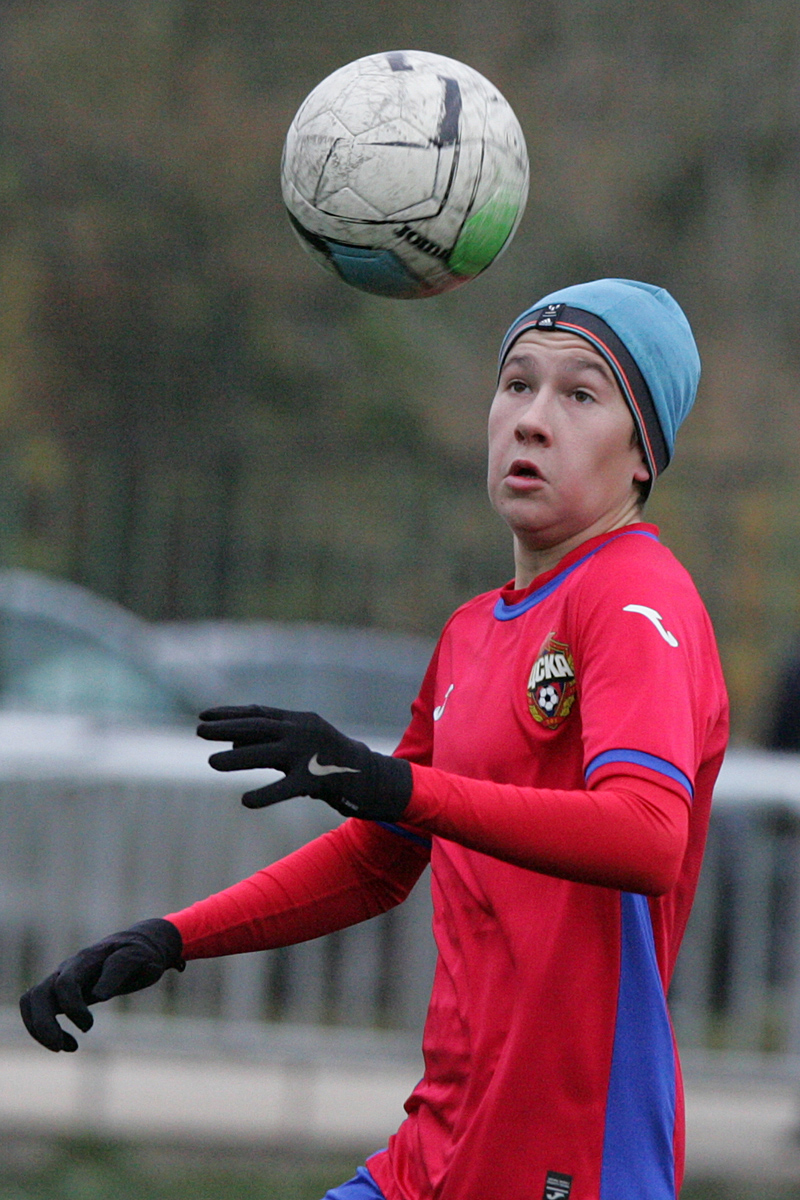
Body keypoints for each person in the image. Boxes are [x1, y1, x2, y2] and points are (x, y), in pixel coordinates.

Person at [20, 279, 729, 1200]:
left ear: (642, 456)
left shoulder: (636, 596)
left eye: (581, 395)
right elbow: (380, 858)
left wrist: (399, 788)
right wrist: (170, 937)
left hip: (568, 1163)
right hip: (436, 1150)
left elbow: (647, 836)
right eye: (517, 383)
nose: (532, 419)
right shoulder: (473, 632)